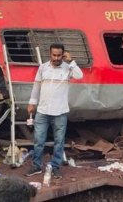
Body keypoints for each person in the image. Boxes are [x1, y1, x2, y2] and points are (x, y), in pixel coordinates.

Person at [26, 44, 83, 178]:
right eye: (54, 55)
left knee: (59, 141)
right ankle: (36, 166)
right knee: (38, 140)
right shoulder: (43, 67)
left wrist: (71, 61)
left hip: (60, 111)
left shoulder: (68, 68)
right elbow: (36, 85)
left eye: (59, 55)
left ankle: (56, 167)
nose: (56, 58)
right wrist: (32, 102)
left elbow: (79, 76)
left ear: (63, 55)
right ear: (50, 54)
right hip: (42, 110)